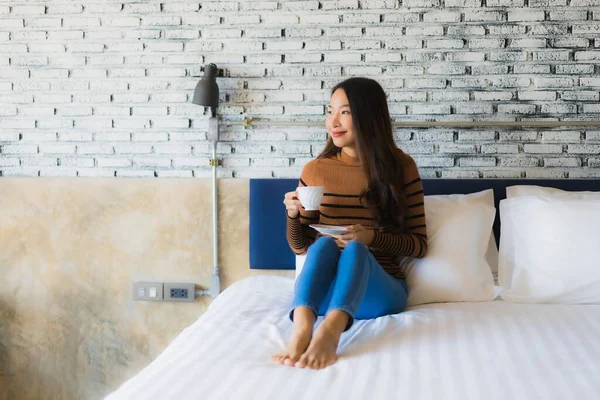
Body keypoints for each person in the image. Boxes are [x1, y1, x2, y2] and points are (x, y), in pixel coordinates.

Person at [271, 77, 428, 370]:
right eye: (330, 111)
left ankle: (330, 331)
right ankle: (303, 325)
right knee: (322, 246)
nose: (334, 121)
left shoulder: (400, 167)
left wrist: (371, 239)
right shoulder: (316, 169)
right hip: (326, 294)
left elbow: (419, 245)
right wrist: (293, 215)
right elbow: (301, 246)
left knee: (356, 250)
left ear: (368, 115)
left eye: (344, 112)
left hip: (380, 292)